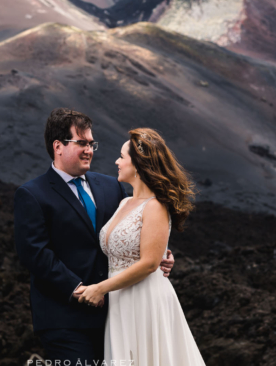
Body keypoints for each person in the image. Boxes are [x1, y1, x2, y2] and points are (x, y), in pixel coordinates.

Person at [14, 109, 175, 364]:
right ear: (58, 146)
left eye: (91, 143)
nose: (89, 149)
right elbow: (34, 253)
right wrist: (77, 289)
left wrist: (159, 255)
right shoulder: (32, 194)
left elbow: (133, 230)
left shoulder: (111, 186)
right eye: (82, 143)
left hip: (116, 315)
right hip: (64, 319)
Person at [79, 128, 206, 365]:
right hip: (120, 299)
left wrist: (100, 288)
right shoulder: (125, 201)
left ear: (138, 165)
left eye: (122, 157)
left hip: (144, 298)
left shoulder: (156, 206)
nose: (116, 161)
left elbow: (149, 263)